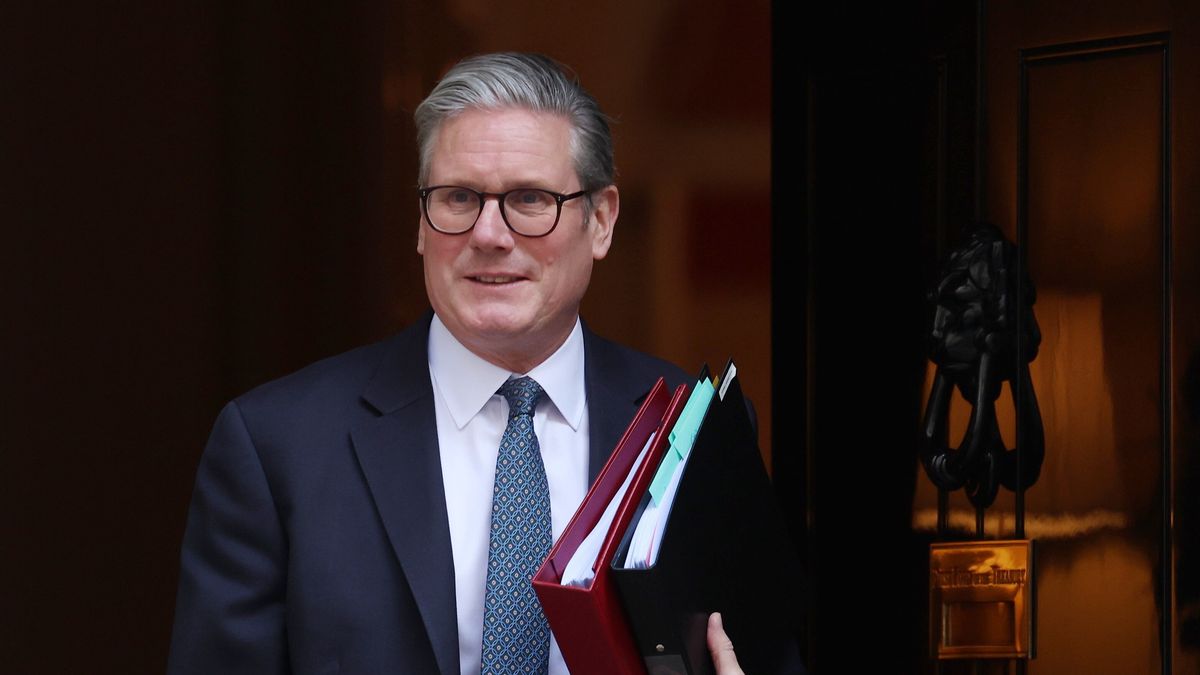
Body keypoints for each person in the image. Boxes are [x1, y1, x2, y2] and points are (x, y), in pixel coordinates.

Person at [168, 52, 746, 675]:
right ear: (420, 222)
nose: (489, 234)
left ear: (601, 220)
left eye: (529, 198)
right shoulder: (278, 445)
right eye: (458, 197)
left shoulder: (692, 429)